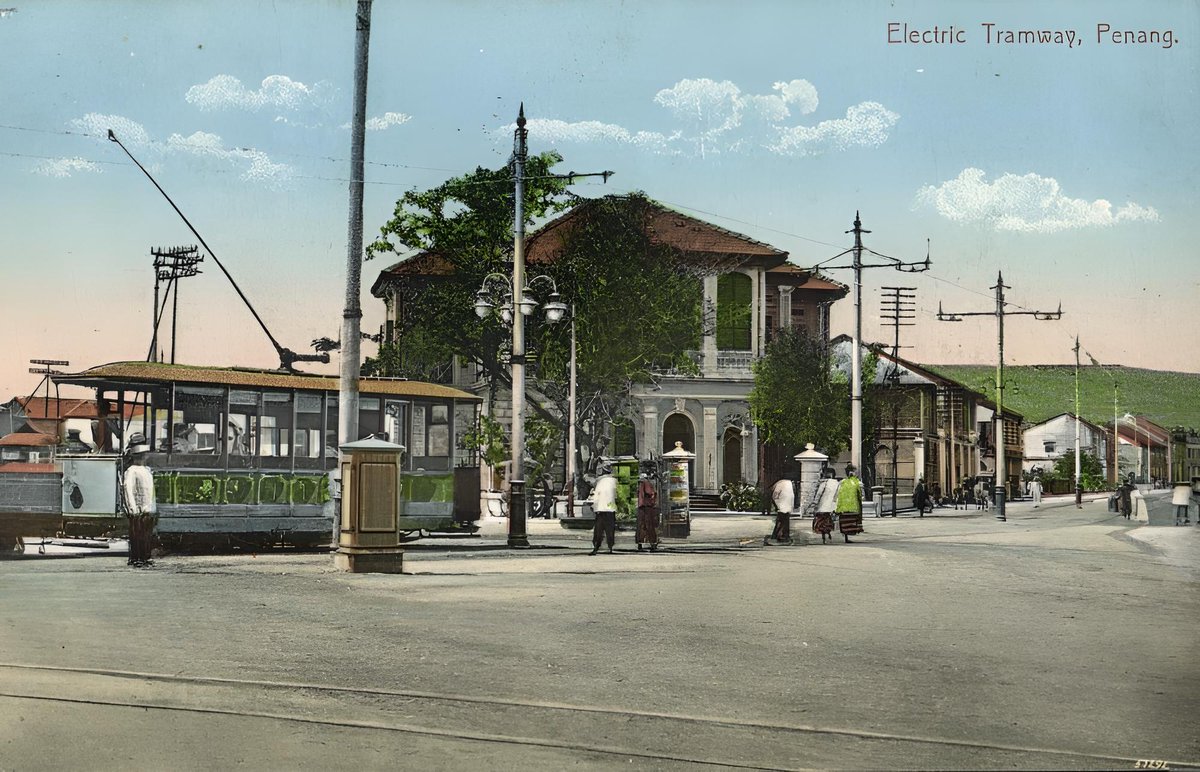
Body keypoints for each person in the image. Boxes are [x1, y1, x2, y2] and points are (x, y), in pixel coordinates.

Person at [122, 442, 157, 566]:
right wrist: (132, 508)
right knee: (137, 535)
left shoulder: (147, 470)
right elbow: (129, 490)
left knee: (146, 535)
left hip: (148, 509)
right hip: (138, 510)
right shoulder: (132, 471)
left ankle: (145, 556)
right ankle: (137, 557)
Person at [589, 464, 618, 555]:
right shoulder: (614, 481)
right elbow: (617, 495)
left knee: (599, 529)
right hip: (610, 508)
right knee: (610, 529)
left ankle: (596, 546)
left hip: (601, 508)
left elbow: (596, 495)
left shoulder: (599, 482)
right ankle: (610, 546)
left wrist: (594, 506)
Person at [835, 465, 865, 543]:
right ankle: (848, 535)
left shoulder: (842, 482)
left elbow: (837, 494)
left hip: (842, 508)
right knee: (851, 521)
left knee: (844, 522)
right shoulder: (858, 483)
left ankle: (846, 537)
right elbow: (862, 496)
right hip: (854, 507)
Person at [635, 462, 660, 551]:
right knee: (649, 525)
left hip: (641, 505)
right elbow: (650, 492)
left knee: (641, 525)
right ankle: (652, 543)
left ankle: (640, 543)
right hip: (647, 506)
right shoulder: (646, 482)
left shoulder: (641, 482)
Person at [766, 478, 794, 545]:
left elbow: (775, 495)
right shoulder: (788, 483)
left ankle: (779, 536)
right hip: (788, 505)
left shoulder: (779, 484)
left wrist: (776, 504)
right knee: (785, 521)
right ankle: (785, 535)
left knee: (780, 521)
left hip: (782, 505)